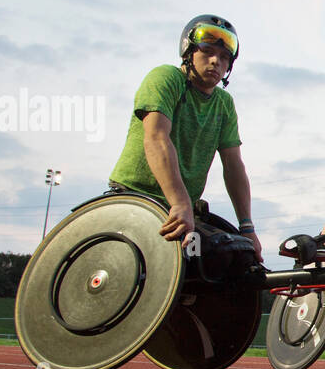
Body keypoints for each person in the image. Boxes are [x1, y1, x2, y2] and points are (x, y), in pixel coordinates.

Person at [108, 14, 262, 261]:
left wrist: (247, 227)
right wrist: (180, 203)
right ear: (188, 53)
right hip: (136, 197)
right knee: (188, 256)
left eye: (224, 58)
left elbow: (234, 165)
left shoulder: (224, 103)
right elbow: (157, 138)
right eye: (207, 52)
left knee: (238, 258)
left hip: (182, 208)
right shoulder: (166, 78)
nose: (215, 62)